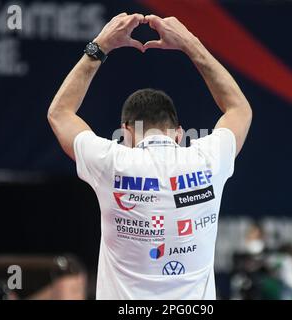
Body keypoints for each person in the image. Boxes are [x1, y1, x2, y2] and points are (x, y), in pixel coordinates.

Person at [47, 13, 252, 299]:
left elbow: (60, 113)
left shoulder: (112, 162)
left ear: (126, 131)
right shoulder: (208, 159)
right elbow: (239, 109)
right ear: (179, 133)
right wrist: (191, 45)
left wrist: (100, 45)